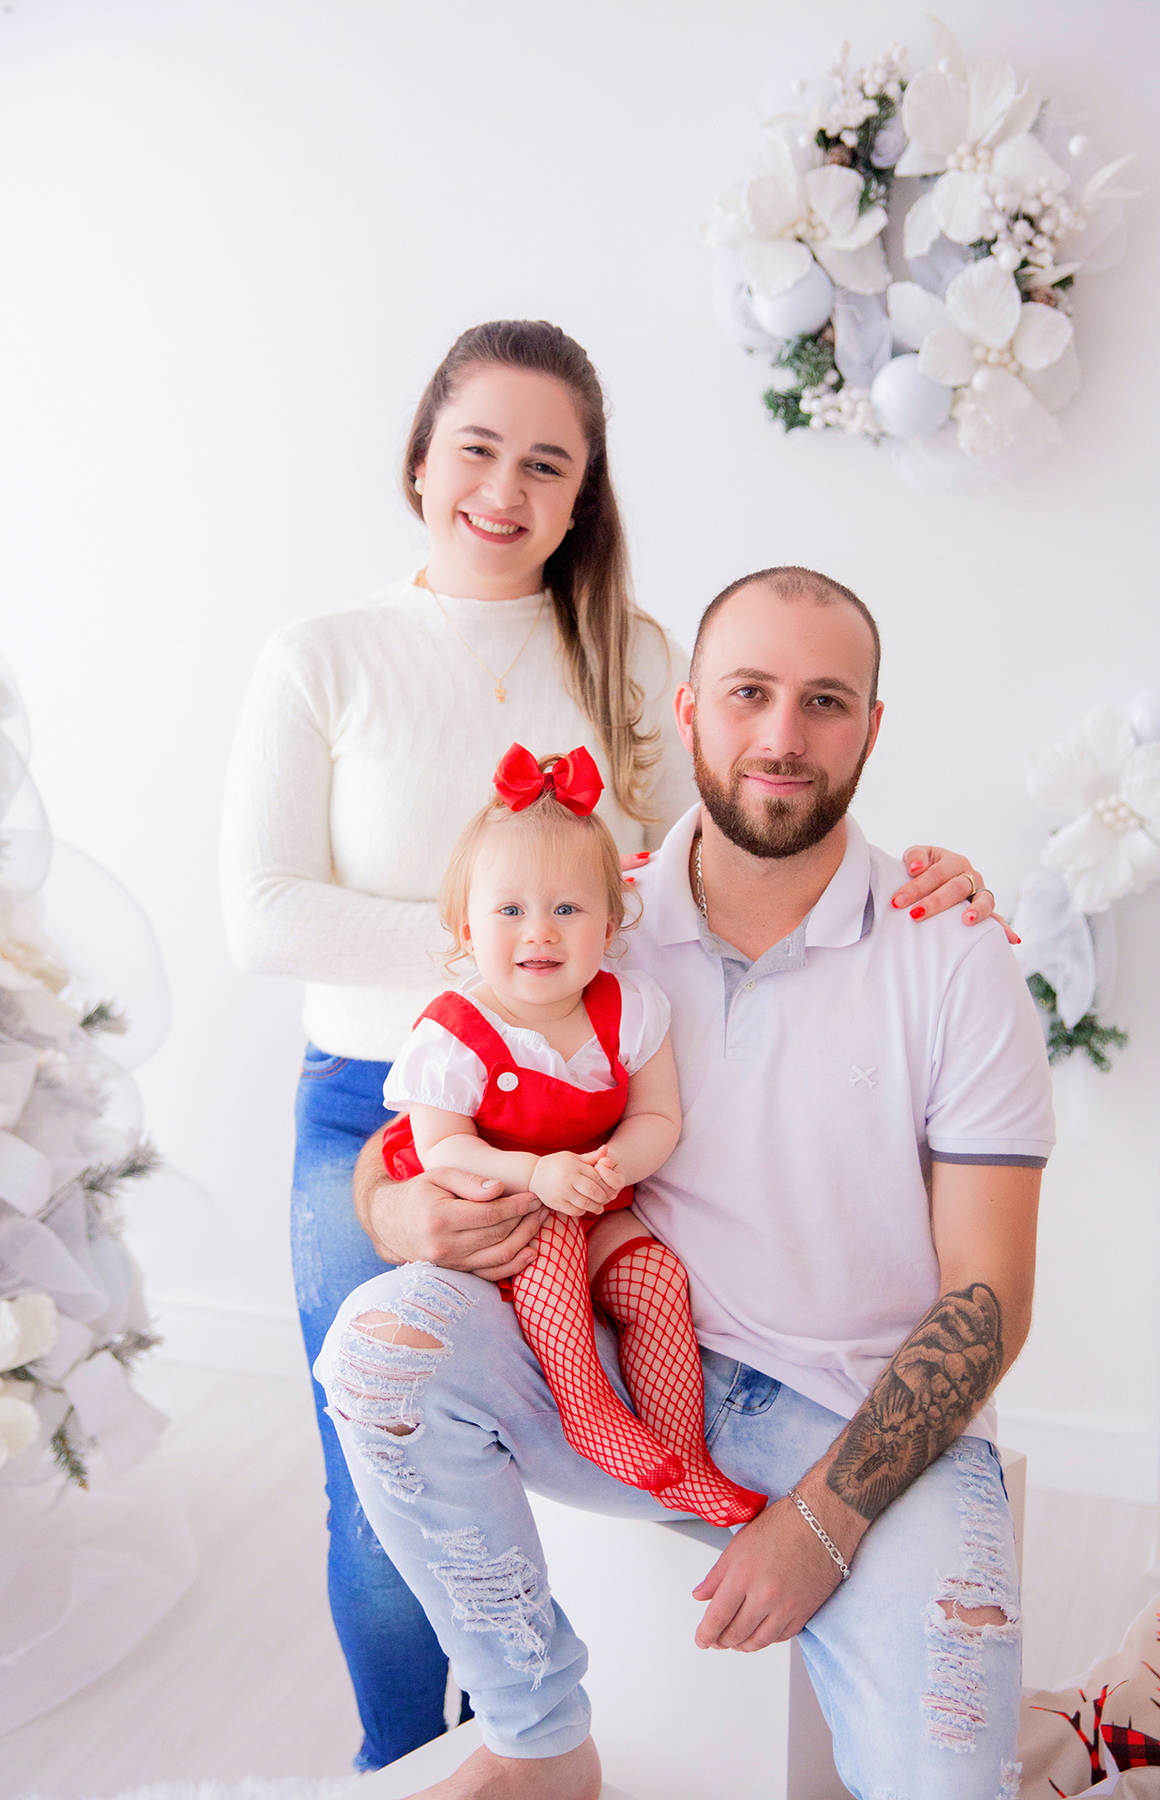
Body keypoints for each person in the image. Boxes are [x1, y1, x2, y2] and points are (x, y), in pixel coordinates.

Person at [221, 314, 1000, 1772]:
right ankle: (420, 1755)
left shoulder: (629, 654)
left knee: (582, 1356)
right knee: (369, 1461)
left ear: (585, 497)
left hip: (591, 1117)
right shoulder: (326, 654)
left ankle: (555, 1694)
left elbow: (715, 848)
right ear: (418, 463)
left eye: (548, 465)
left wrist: (916, 879)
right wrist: (512, 958)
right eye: (476, 451)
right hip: (379, 1106)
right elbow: (264, 917)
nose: (504, 491)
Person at [318, 565, 1054, 1800]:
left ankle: (1067, 1736)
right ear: (688, 707)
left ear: (872, 730)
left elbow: (992, 1296)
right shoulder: (591, 909)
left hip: (861, 1415)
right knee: (383, 1346)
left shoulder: (954, 955)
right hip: (604, 1366)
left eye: (825, 702)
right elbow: (423, 1109)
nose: (782, 734)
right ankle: (539, 1742)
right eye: (750, 692)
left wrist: (823, 1523)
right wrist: (398, 1209)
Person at [376, 740, 763, 1527]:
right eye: (511, 911)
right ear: (465, 925)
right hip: (502, 1211)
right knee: (551, 1243)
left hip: (592, 1195)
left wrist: (610, 1165)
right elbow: (443, 1147)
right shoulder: (455, 1033)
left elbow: (659, 1116)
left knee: (656, 1281)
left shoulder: (631, 1009)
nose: (540, 934)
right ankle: (587, 1412)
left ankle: (683, 1457)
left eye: (567, 909)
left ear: (612, 922)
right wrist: (536, 1176)